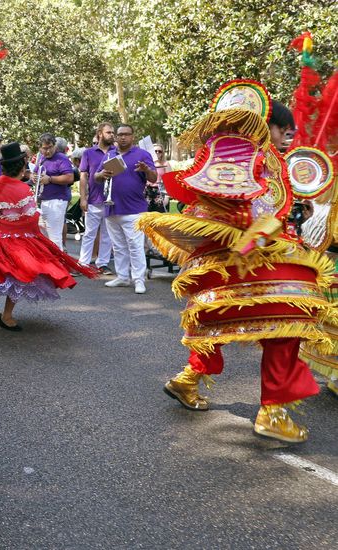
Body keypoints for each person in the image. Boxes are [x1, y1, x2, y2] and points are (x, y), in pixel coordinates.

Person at [139, 81, 332, 443]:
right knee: (288, 323)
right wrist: (261, 240)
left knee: (215, 322)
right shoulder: (263, 158)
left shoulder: (223, 154)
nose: (287, 135)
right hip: (250, 261)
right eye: (281, 128)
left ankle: (187, 379)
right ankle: (273, 411)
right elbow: (267, 214)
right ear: (263, 124)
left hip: (217, 267)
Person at [0, 142, 96, 330]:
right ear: (22, 166)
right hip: (15, 240)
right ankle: (7, 316)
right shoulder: (23, 189)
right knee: (20, 274)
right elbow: (30, 218)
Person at [96, 124, 156, 294]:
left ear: (132, 136)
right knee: (119, 246)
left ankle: (139, 279)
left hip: (134, 209)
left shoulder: (142, 154)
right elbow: (96, 176)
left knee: (135, 246)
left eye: (126, 134)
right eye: (119, 134)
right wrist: (101, 175)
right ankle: (122, 277)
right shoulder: (110, 154)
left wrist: (147, 170)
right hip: (112, 208)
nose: (122, 137)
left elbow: (154, 177)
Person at [78, 123, 115, 275]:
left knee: (107, 235)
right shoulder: (88, 153)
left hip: (112, 200)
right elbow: (83, 176)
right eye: (108, 132)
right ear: (100, 133)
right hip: (94, 198)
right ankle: (84, 263)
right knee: (89, 233)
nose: (112, 135)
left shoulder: (117, 151)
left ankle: (103, 263)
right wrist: (82, 198)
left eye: (113, 132)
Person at [33, 135, 75, 250]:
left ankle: (59, 265)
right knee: (45, 237)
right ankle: (52, 264)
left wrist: (50, 179)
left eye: (50, 147)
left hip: (57, 201)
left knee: (55, 237)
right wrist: (34, 177)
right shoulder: (42, 158)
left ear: (54, 145)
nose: (47, 151)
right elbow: (35, 172)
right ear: (40, 148)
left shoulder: (62, 158)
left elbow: (69, 178)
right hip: (44, 200)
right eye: (44, 148)